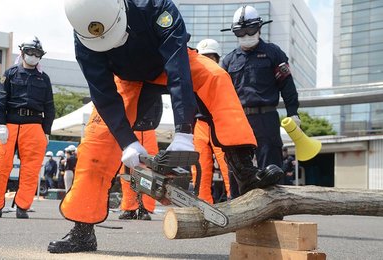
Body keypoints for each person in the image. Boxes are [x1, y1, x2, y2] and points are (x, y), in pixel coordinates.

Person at [48, 0, 284, 253]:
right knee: (97, 140)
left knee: (216, 78)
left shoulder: (155, 6)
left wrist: (184, 130)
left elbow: (177, 66)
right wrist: (127, 141)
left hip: (170, 62)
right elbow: (103, 93)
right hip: (126, 79)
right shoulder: (84, 35)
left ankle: (246, 173)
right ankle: (82, 228)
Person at [221, 5, 300, 196]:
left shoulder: (273, 53)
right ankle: (238, 211)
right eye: (240, 31)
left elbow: (287, 84)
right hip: (238, 120)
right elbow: (221, 95)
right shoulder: (229, 60)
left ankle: (274, 210)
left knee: (271, 165)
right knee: (237, 165)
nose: (246, 35)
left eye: (250, 30)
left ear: (260, 27)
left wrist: (293, 112)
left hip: (266, 117)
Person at [0, 36, 55, 219]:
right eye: (30, 52)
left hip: (34, 125)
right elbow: (1, 100)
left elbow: (49, 107)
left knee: (31, 170)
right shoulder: (10, 73)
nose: (33, 56)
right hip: (10, 124)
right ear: (22, 53)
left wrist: (47, 131)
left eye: (37, 53)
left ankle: (23, 206)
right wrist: (1, 124)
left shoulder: (44, 78)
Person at [192, 39, 231, 204]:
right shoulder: (192, 78)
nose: (208, 61)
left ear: (217, 59)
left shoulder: (224, 77)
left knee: (227, 164)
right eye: (204, 57)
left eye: (211, 57)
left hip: (220, 124)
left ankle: (234, 198)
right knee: (200, 167)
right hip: (200, 125)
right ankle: (203, 203)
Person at [119, 130, 158, 221]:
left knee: (149, 173)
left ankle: (144, 208)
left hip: (147, 132)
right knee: (127, 173)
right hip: (130, 132)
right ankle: (129, 208)